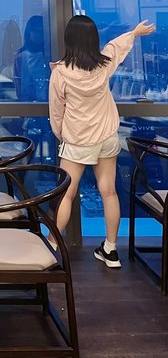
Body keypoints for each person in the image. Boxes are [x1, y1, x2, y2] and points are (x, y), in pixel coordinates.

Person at [49, 15, 155, 268]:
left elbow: (56, 111)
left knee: (66, 195)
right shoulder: (103, 65)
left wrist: (61, 134)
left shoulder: (61, 73)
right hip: (106, 136)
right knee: (109, 192)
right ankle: (110, 250)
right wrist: (135, 33)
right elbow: (116, 47)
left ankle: (51, 245)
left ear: (69, 39)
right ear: (93, 39)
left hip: (77, 139)